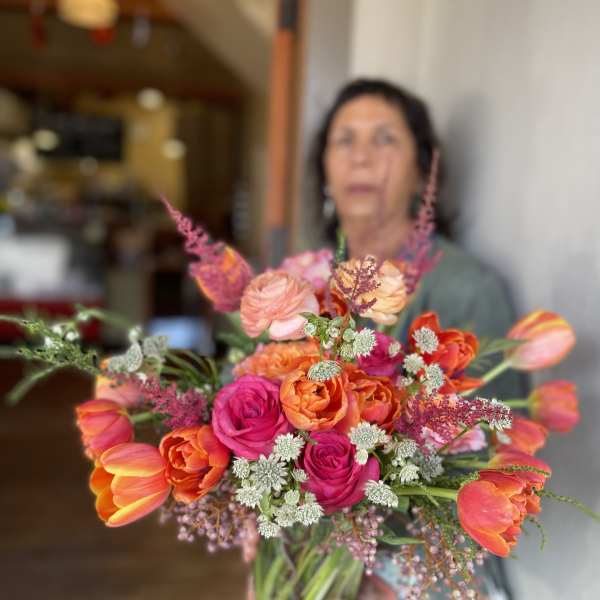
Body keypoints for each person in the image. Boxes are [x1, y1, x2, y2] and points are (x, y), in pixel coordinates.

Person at [314, 78, 524, 598]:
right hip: (317, 557)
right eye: (345, 140)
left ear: (423, 169)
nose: (361, 157)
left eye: (385, 138)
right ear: (324, 168)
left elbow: (502, 461)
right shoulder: (302, 285)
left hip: (430, 569)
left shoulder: (465, 289)